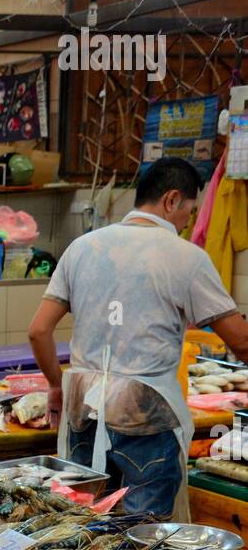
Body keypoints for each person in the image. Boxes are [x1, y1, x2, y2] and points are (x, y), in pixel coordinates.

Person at [28, 157, 248, 519]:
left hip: (83, 406)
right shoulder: (187, 258)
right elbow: (239, 341)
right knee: (141, 537)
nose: (186, 223)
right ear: (172, 200)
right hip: (146, 412)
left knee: (83, 523)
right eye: (190, 213)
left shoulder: (83, 247)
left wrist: (56, 386)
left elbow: (38, 331)